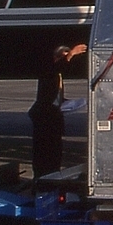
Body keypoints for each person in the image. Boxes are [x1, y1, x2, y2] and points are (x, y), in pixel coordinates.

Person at [30, 43, 86, 180]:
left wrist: (70, 103)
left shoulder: (57, 74)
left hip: (53, 116)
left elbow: (52, 94)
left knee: (55, 152)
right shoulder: (49, 68)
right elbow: (57, 67)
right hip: (44, 117)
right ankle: (42, 180)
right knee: (44, 153)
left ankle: (51, 177)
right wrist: (72, 53)